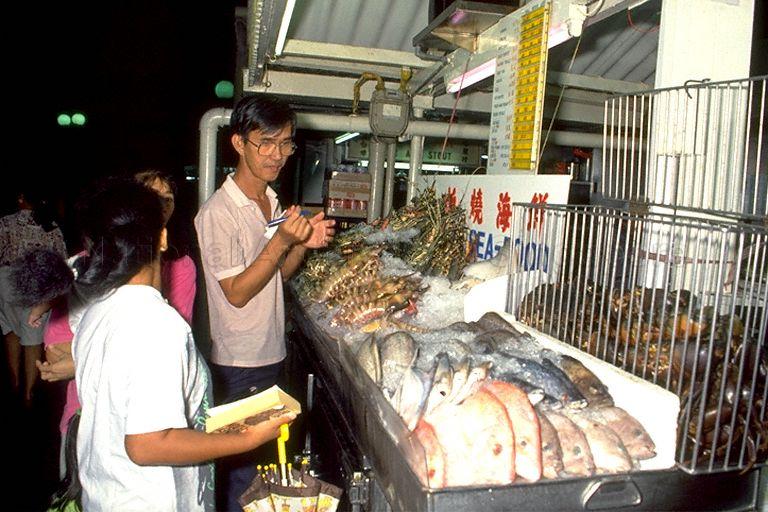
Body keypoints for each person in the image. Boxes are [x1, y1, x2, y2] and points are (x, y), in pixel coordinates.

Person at [14, 178, 294, 511]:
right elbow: (147, 444)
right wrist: (247, 438)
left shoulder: (99, 309)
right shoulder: (157, 324)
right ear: (162, 238)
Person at [194, 94, 335, 510]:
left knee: (265, 471)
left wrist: (302, 243)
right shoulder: (219, 212)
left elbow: (278, 274)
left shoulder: (270, 201)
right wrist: (282, 240)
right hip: (239, 363)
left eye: (286, 143)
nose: (278, 155)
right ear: (239, 143)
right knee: (242, 476)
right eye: (266, 143)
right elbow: (236, 292)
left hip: (270, 352)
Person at [33, 170, 197, 479]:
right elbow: (54, 350)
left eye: (167, 200)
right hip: (87, 413)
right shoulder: (87, 264)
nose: (159, 207)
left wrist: (80, 360)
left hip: (158, 417)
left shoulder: (180, 267)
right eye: (149, 197)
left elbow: (174, 347)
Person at [0, 185, 67, 404]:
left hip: (7, 280)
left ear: (21, 198)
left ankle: (14, 381)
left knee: (11, 331)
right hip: (37, 281)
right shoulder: (49, 224)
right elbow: (62, 260)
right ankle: (29, 392)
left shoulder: (5, 223)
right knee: (33, 338)